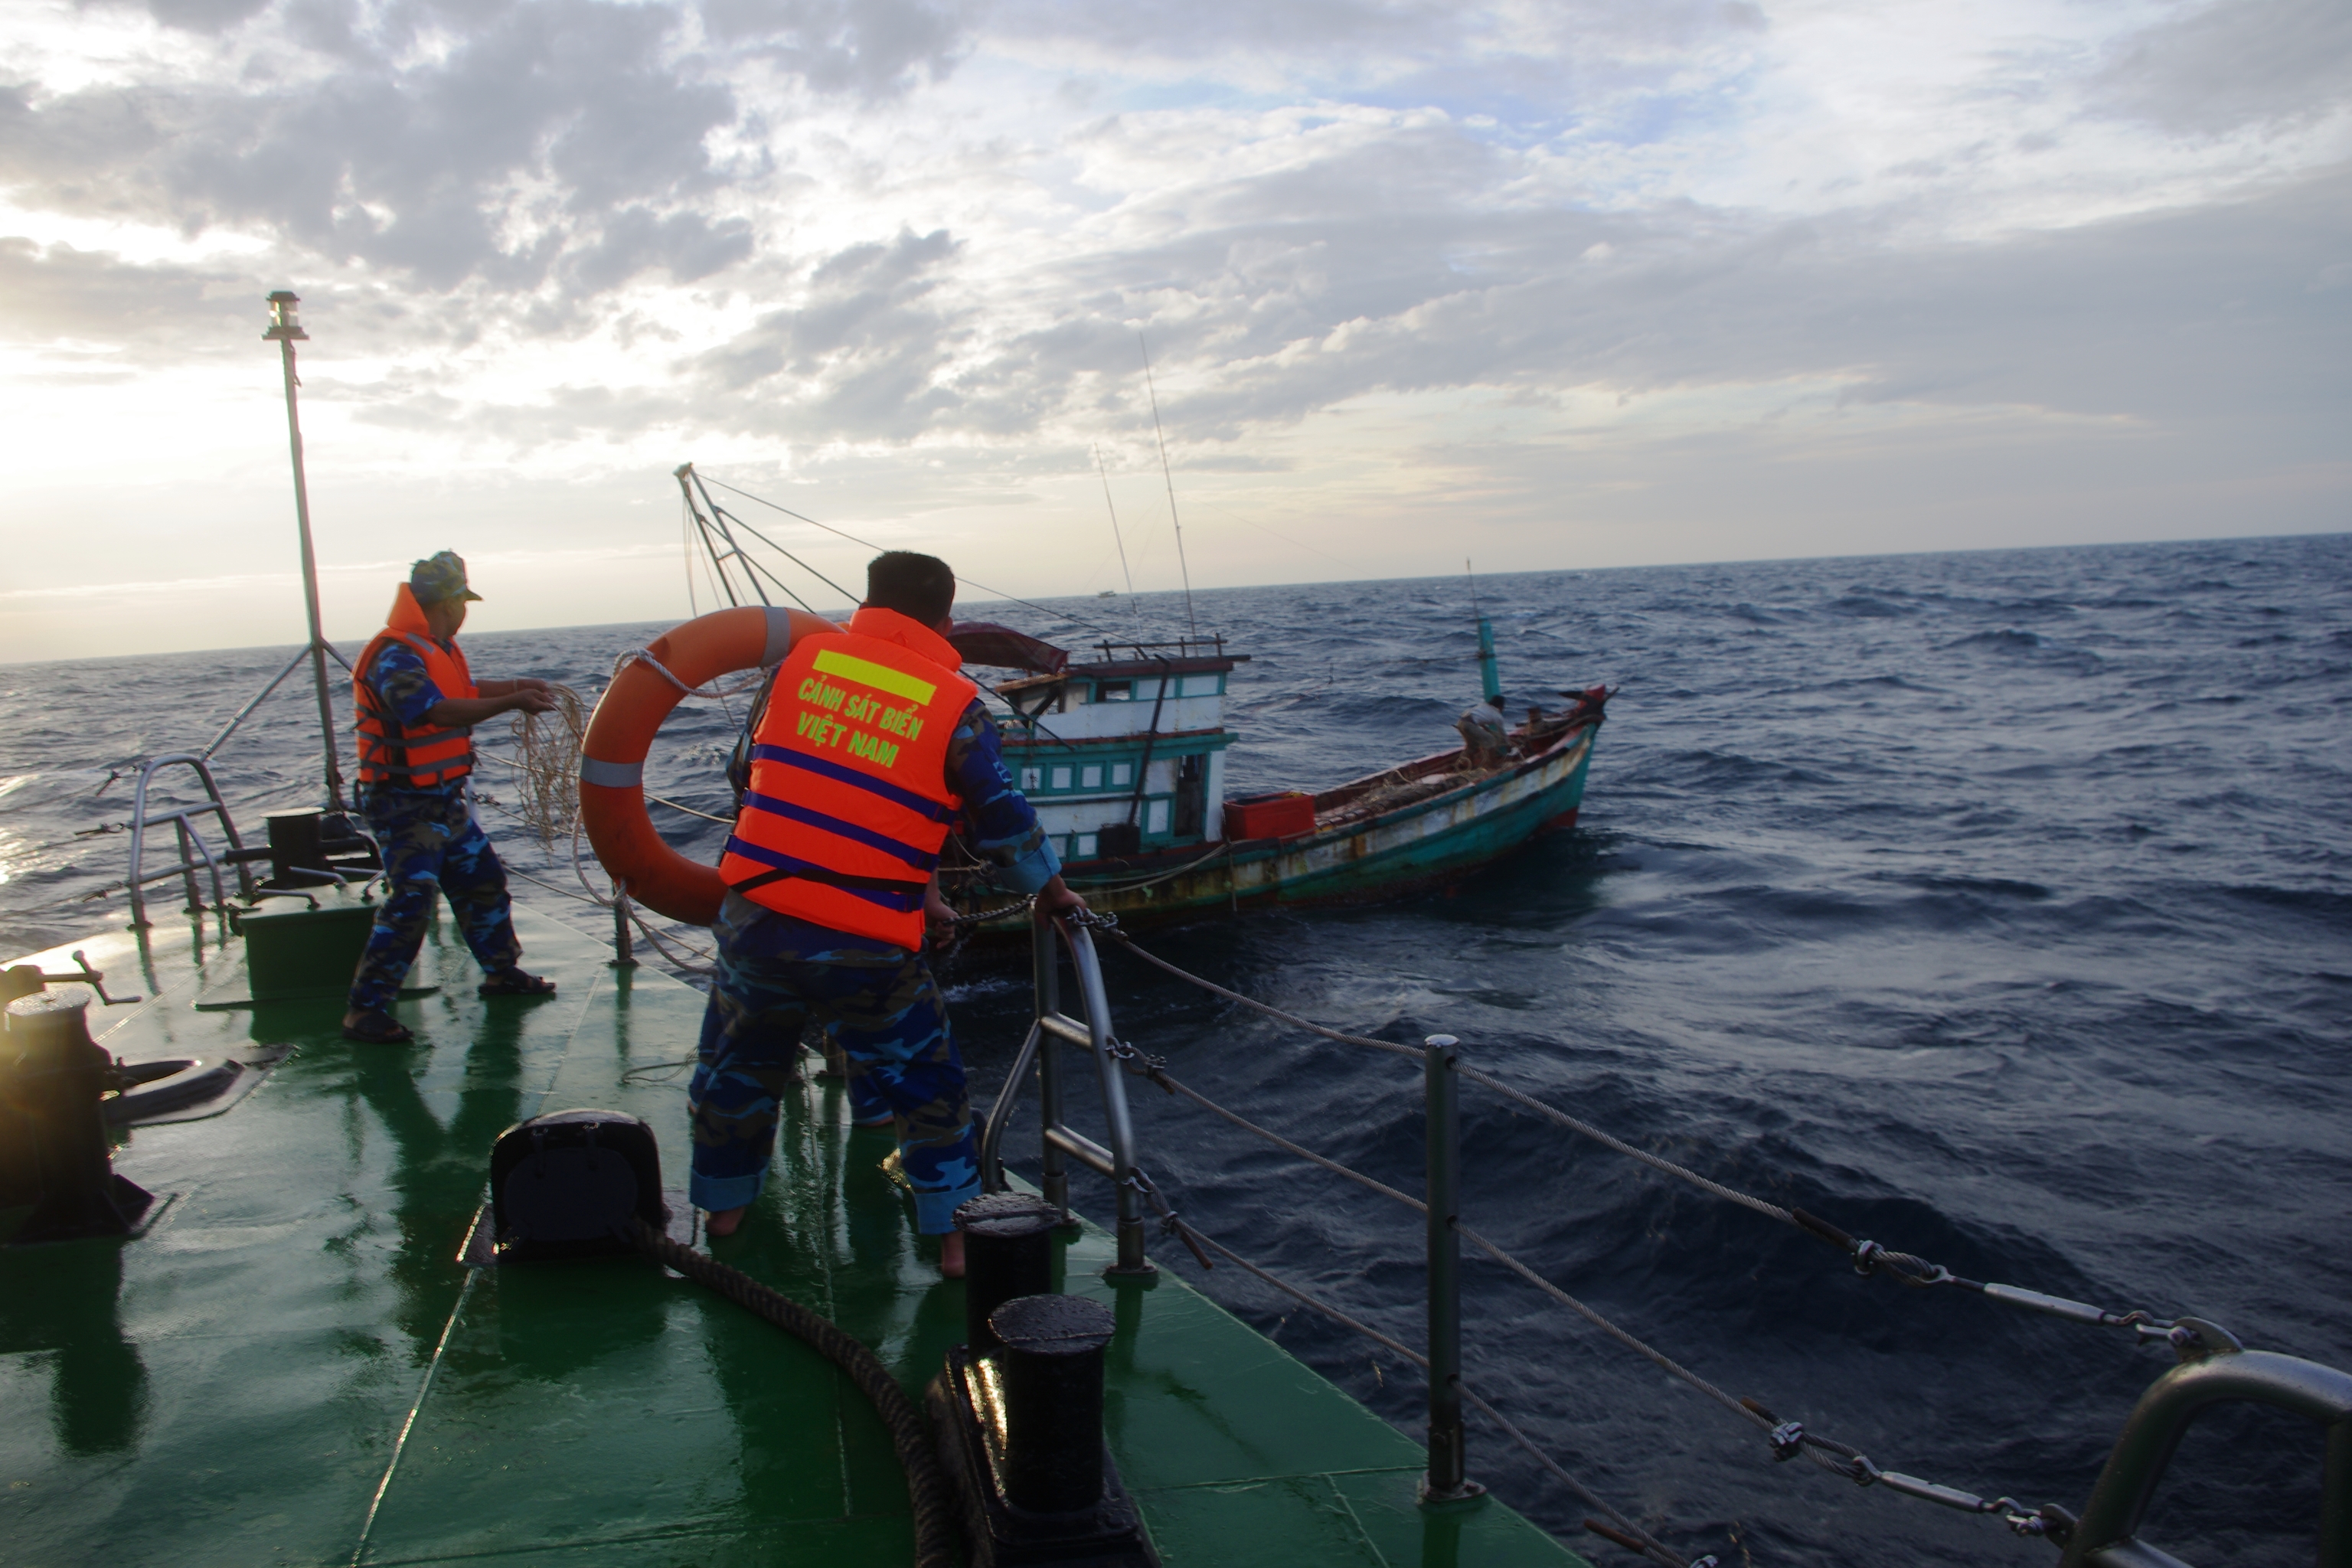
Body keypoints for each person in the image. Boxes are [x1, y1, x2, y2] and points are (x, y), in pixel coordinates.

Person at [692, 550, 1086, 1276]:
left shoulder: (800, 666)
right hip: (865, 941)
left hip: (758, 917)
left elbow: (747, 768)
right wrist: (1052, 892)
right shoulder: (950, 700)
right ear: (945, 618)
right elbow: (999, 821)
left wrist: (923, 888)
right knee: (927, 1086)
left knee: (738, 1067)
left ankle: (722, 1208)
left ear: (868, 601)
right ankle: (953, 1240)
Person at [341, 551, 560, 1044]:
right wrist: (511, 703)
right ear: (449, 602)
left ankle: (503, 973)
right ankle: (365, 1010)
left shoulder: (432, 647)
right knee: (412, 899)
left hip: (444, 797)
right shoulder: (394, 653)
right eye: (464, 602)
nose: (465, 613)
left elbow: (464, 688)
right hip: (402, 802)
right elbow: (431, 712)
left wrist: (516, 685)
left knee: (482, 879)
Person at [1456, 692, 1512, 766]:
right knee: (1491, 740)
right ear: (1500, 706)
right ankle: (1493, 764)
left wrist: (1486, 729)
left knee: (1472, 745)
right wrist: (1508, 744)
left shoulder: (1484, 706)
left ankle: (1470, 766)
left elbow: (1478, 717)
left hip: (1461, 722)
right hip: (1469, 724)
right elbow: (1502, 733)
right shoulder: (1498, 716)